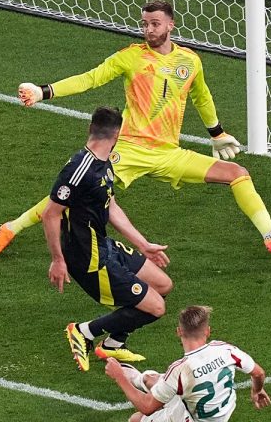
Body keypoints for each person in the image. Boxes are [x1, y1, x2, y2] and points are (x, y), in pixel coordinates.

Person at [0, 0, 271, 258]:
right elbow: (90, 78)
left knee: (237, 172)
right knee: (78, 189)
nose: (148, 29)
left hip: (169, 153)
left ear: (171, 25)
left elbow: (202, 97)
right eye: (144, 24)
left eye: (155, 24)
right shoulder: (130, 57)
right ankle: (11, 228)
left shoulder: (190, 61)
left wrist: (217, 134)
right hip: (128, 149)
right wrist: (45, 91)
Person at [42, 106, 173, 369]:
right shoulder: (80, 169)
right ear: (118, 134)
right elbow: (50, 214)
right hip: (87, 258)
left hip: (104, 245)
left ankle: (113, 344)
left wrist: (143, 244)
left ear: (91, 128)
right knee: (157, 307)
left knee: (163, 285)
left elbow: (110, 206)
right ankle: (84, 331)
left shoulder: (105, 163)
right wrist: (58, 259)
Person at [105, 305, 271, 422]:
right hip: (217, 413)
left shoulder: (179, 369)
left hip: (189, 418)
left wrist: (119, 377)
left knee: (136, 419)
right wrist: (257, 390)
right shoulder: (226, 350)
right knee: (153, 380)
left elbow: (147, 407)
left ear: (179, 332)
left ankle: (133, 377)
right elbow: (258, 373)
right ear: (207, 331)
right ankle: (143, 379)